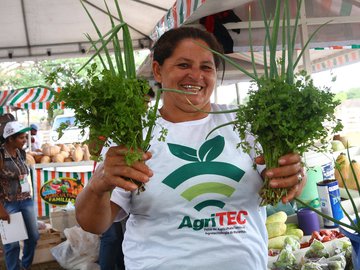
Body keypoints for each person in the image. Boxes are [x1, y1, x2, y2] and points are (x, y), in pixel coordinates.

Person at [75, 27, 306, 269]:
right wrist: (98, 186)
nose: (196, 76)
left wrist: (293, 177)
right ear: (158, 70)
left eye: (206, 67)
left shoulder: (246, 123)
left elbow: (285, 183)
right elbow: (93, 223)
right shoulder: (133, 134)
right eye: (184, 65)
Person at [0, 121, 39, 270]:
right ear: (10, 138)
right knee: (12, 244)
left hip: (26, 201)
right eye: (21, 137)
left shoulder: (21, 153)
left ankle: (24, 266)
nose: (25, 140)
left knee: (33, 237)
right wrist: (0, 209)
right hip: (8, 203)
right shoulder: (1, 154)